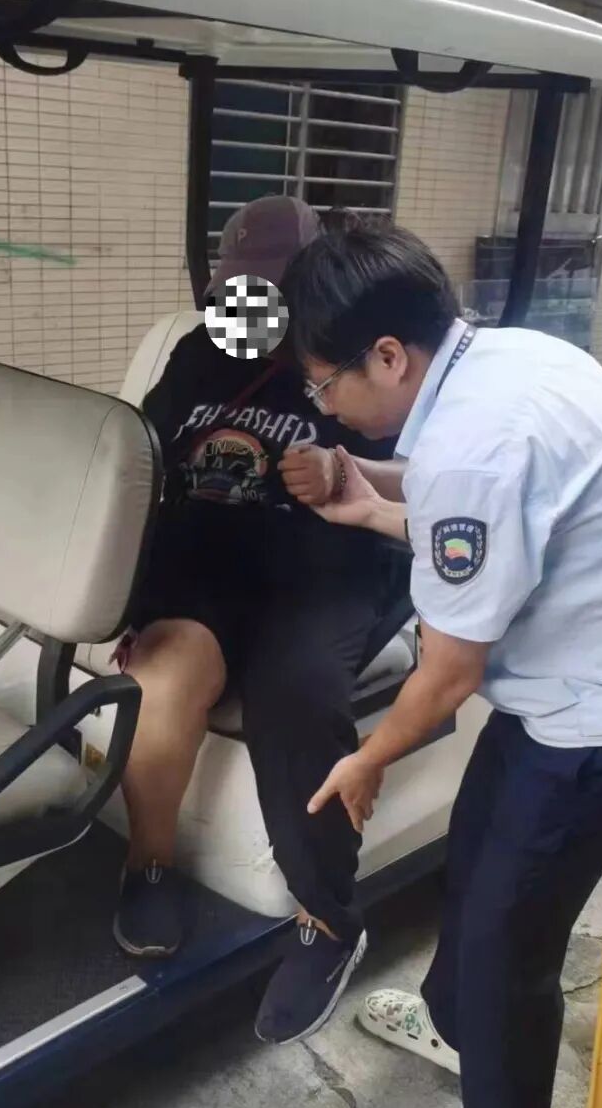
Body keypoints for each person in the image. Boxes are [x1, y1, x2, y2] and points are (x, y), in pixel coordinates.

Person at [279, 223, 602, 1108]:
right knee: (476, 856)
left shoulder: (476, 442)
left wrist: (368, 758)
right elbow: (481, 517)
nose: (321, 406)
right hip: (572, 689)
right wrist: (366, 494)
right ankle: (451, 1022)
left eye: (325, 383)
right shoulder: (502, 359)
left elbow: (445, 675)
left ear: (391, 355)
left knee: (509, 940)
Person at [113, 196, 405, 1046]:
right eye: (242, 290)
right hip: (205, 564)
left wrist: (344, 469)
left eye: (276, 289)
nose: (258, 308)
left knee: (296, 695)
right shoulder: (206, 350)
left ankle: (327, 919)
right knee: (166, 673)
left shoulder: (356, 351)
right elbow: (142, 455)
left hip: (324, 569)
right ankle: (149, 867)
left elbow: (416, 470)